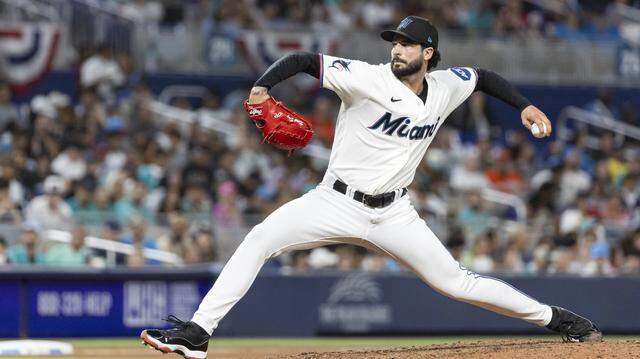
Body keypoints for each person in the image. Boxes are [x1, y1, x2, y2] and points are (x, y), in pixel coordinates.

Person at [140, 16, 601, 358]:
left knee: (456, 282)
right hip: (334, 201)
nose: (398, 49)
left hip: (395, 214)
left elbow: (482, 77)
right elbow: (303, 60)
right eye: (396, 42)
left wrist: (523, 105)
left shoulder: (444, 86)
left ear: (429, 54)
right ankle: (199, 334)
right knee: (259, 238)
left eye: (408, 44)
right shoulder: (365, 77)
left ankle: (557, 319)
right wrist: (262, 87)